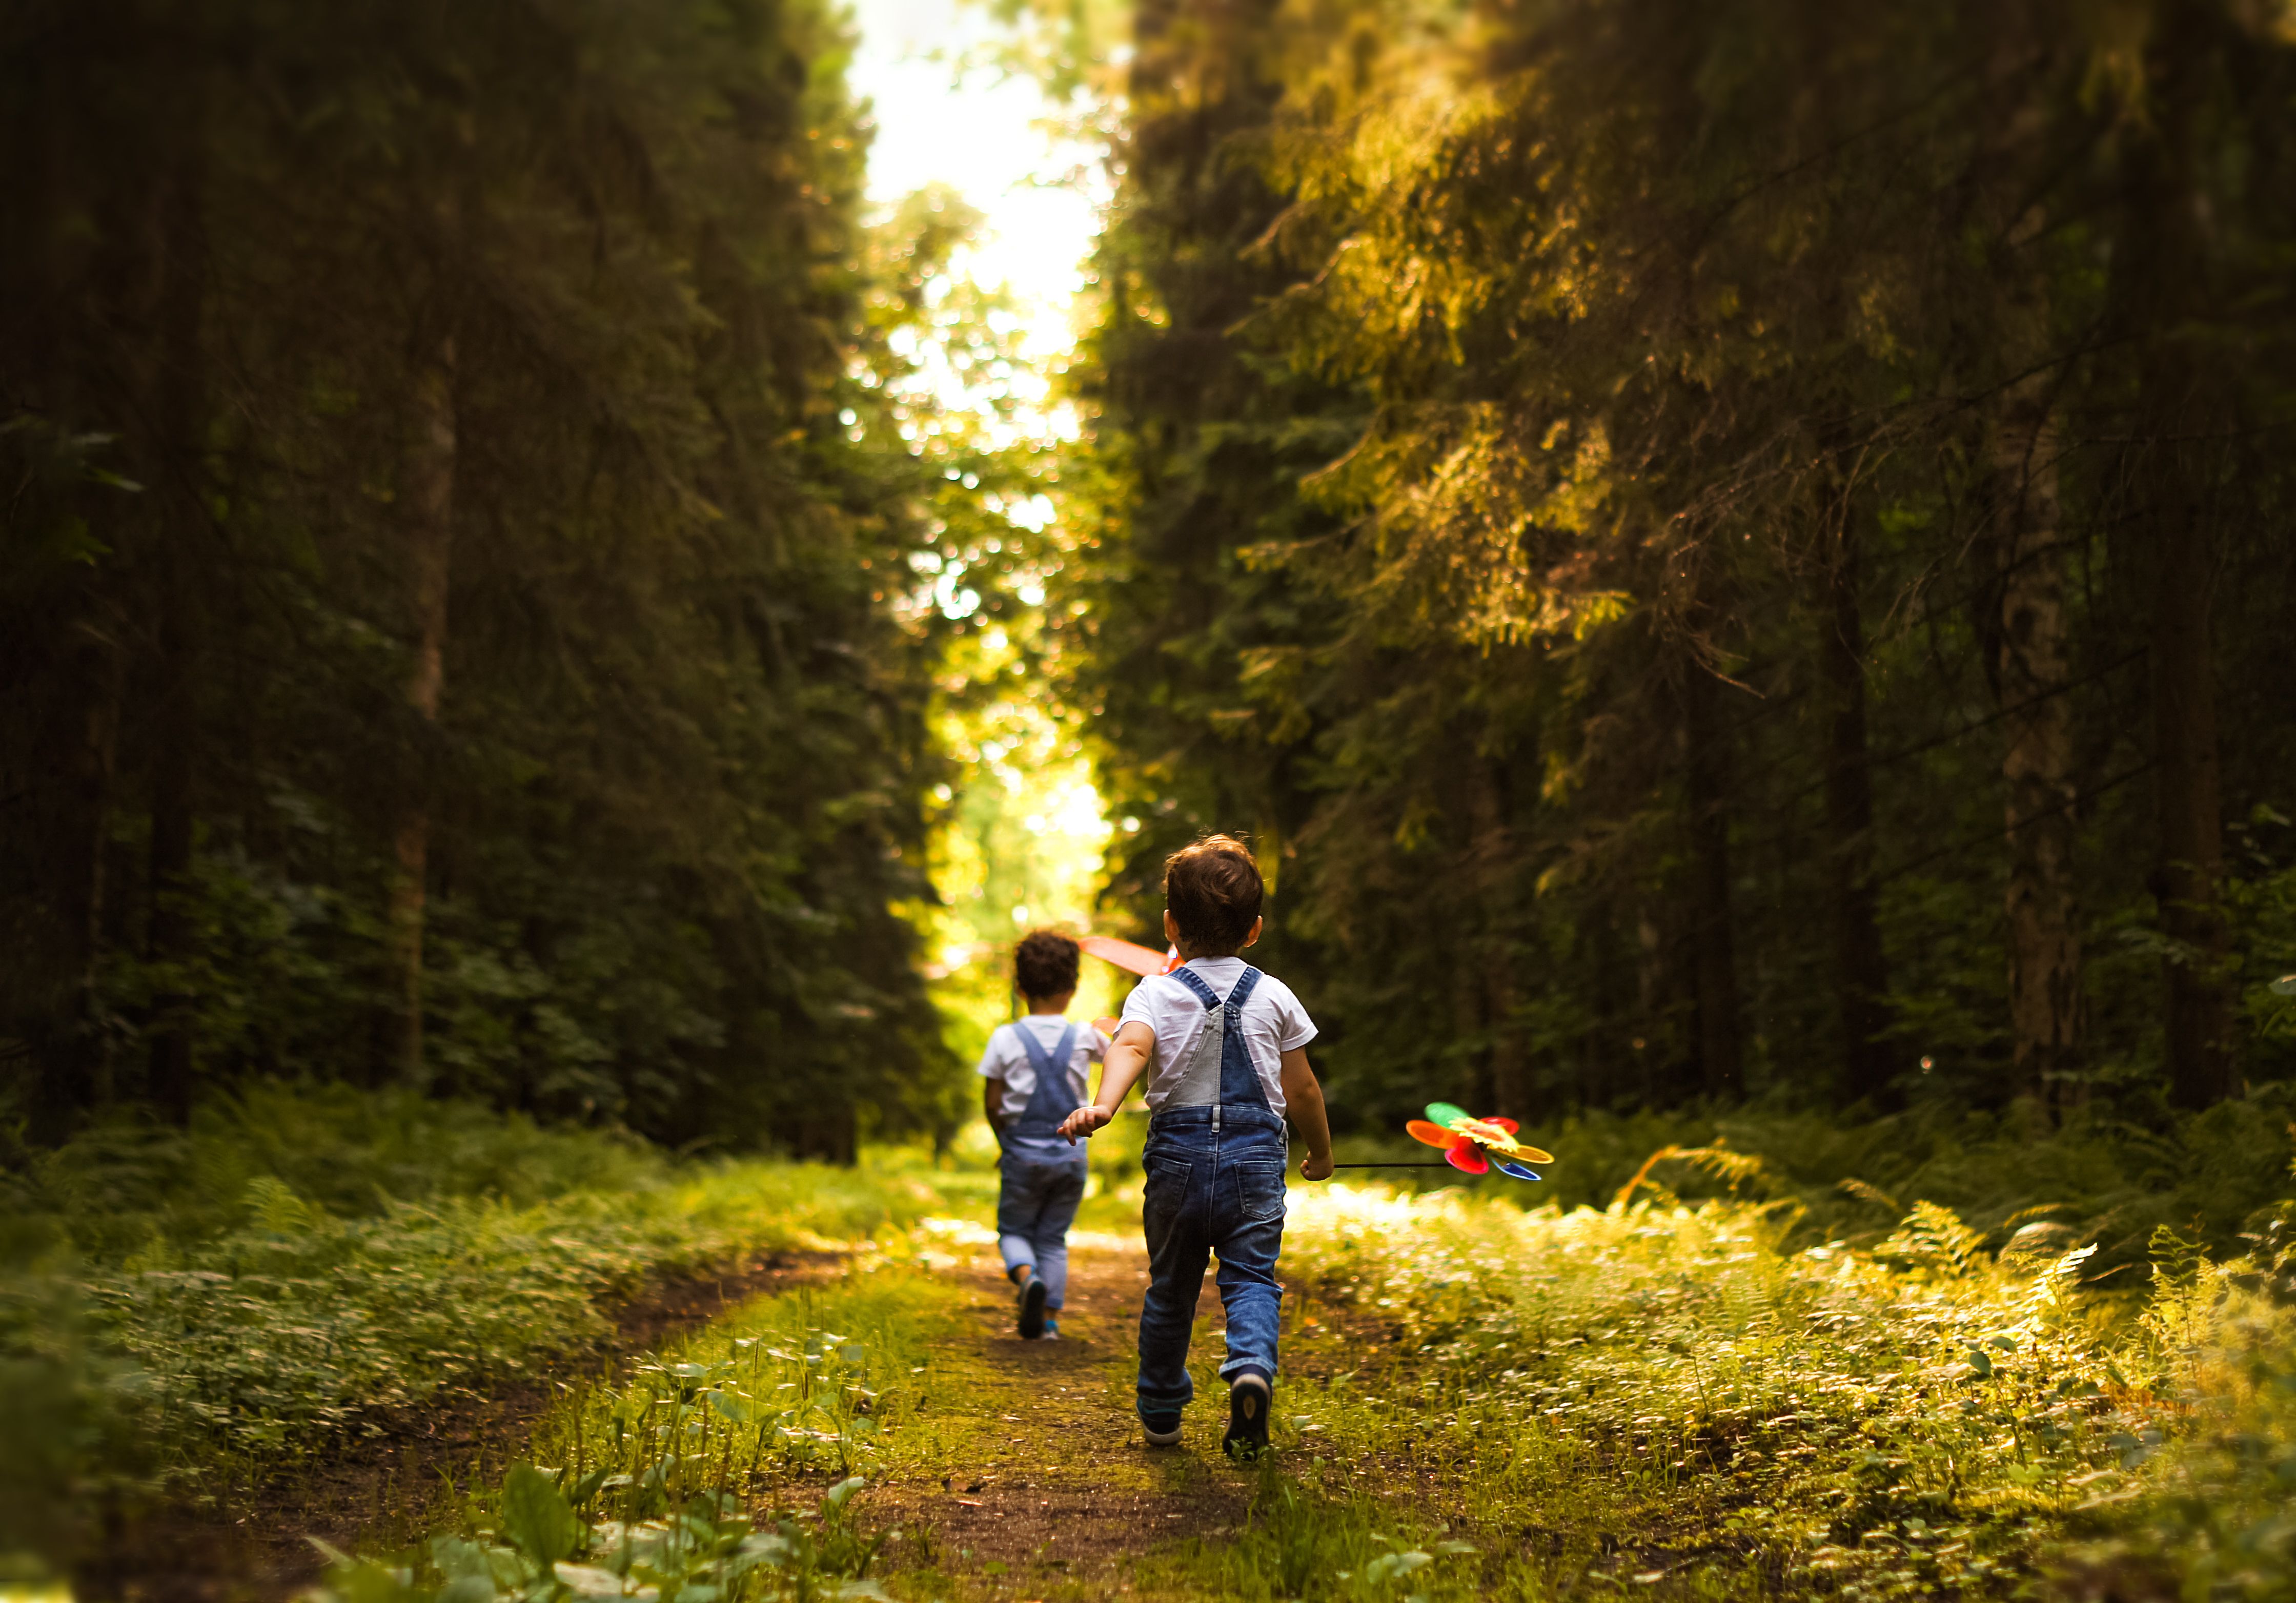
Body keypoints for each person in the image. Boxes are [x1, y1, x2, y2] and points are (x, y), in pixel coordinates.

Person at [1058, 834, 1333, 1458]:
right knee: (1252, 1280)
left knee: (1172, 1286)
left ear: (1170, 926)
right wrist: (1320, 1152)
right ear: (1255, 928)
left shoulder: (1156, 993)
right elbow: (1304, 1087)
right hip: (1255, 1161)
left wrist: (1106, 1103)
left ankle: (1160, 1407)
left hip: (1179, 1161)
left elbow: (1129, 1046)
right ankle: (1251, 1367)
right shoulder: (1275, 994)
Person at [979, 928, 1104, 1340]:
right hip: (1070, 1158)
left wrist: (1005, 1143)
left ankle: (1027, 1277)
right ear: (1072, 987)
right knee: (1053, 1237)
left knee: (1014, 1231)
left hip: (1022, 1155)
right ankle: (1048, 1322)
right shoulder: (1085, 1036)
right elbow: (1126, 1052)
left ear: (1019, 986)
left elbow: (994, 1103)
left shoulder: (1005, 1038)